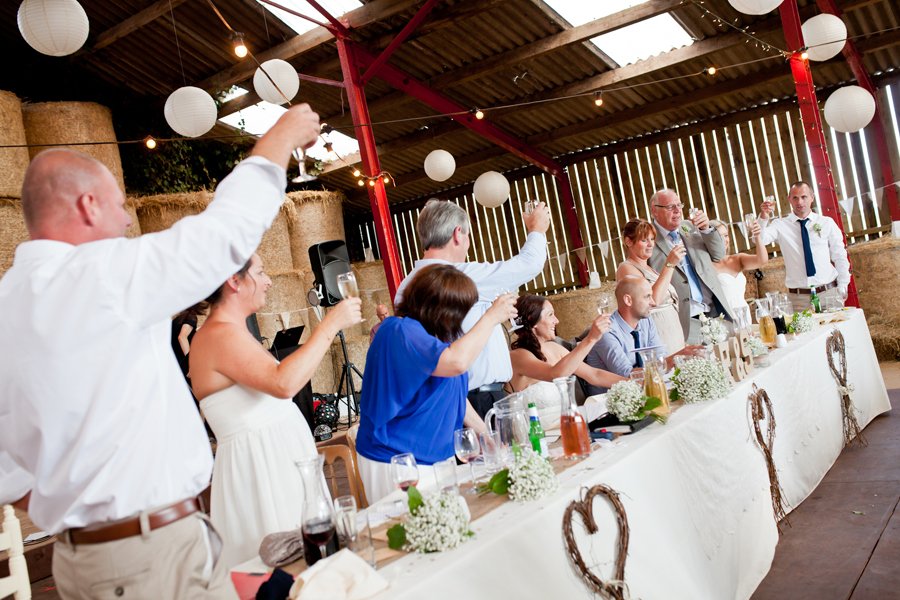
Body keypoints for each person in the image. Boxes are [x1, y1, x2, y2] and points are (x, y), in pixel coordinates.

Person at [0, 103, 321, 599]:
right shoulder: (99, 276)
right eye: (118, 204)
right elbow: (221, 238)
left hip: (87, 558)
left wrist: (77, 502)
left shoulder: (7, 305)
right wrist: (281, 137)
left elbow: (7, 470)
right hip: (146, 555)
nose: (128, 220)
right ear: (87, 205)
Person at [188, 253, 360, 569]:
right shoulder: (218, 335)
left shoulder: (232, 331)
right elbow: (284, 383)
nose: (268, 280)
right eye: (261, 272)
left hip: (276, 464)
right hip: (262, 471)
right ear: (234, 281)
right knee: (285, 570)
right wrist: (330, 323)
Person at [356, 264, 517, 503]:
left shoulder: (433, 339)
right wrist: (491, 317)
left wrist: (487, 438)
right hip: (397, 459)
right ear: (440, 308)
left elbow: (453, 395)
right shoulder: (397, 330)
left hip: (434, 456)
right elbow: (457, 362)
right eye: (460, 309)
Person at [394, 198, 550, 420]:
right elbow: (529, 265)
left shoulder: (405, 286)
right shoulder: (460, 277)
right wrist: (537, 230)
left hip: (443, 400)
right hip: (479, 400)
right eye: (467, 236)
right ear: (458, 234)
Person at [508, 295, 626, 428]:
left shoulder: (554, 348)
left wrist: (633, 383)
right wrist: (591, 339)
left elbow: (594, 375)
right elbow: (555, 375)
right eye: (551, 315)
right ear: (532, 320)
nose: (556, 321)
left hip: (565, 426)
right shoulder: (517, 357)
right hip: (536, 434)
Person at [584, 277, 702, 396]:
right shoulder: (607, 331)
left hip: (643, 391)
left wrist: (669, 361)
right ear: (628, 300)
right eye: (647, 296)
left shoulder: (646, 320)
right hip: (610, 401)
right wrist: (673, 359)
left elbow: (660, 357)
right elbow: (629, 377)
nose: (653, 302)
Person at [647, 189, 735, 344]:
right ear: (655, 210)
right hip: (685, 321)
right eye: (670, 207)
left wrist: (706, 228)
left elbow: (719, 254)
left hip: (715, 311)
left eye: (679, 205)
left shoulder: (691, 227)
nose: (677, 211)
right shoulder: (648, 240)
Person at [757, 182, 850, 311]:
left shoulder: (826, 222)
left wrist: (843, 284)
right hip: (798, 298)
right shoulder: (780, 225)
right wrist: (763, 217)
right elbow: (761, 239)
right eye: (795, 198)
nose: (799, 201)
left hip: (829, 293)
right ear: (789, 199)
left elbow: (839, 255)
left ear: (812, 197)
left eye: (804, 197)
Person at [616, 218, 686, 355]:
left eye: (652, 239)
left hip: (674, 333)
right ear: (628, 242)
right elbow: (652, 300)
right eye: (644, 240)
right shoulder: (627, 269)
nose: (650, 244)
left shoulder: (649, 268)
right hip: (658, 333)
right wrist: (670, 264)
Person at [709, 219, 767, 318]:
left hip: (744, 314)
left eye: (726, 235)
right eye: (719, 236)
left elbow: (762, 260)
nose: (724, 240)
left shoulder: (737, 259)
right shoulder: (707, 266)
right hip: (723, 317)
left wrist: (757, 236)